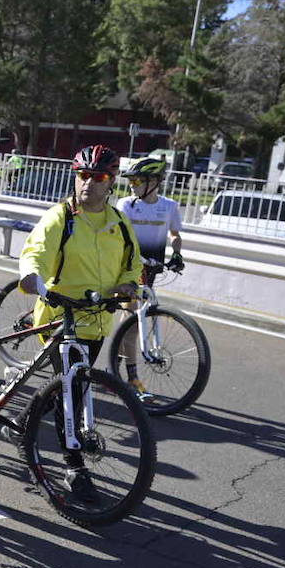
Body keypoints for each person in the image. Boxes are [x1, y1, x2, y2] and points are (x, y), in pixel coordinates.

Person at [18, 144, 143, 502]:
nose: (88, 183)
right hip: (61, 317)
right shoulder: (62, 217)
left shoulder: (119, 222)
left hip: (97, 320)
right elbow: (35, 253)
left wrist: (128, 284)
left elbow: (133, 264)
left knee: (65, 387)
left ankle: (26, 423)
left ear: (112, 181)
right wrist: (33, 279)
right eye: (82, 175)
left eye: (98, 177)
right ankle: (74, 467)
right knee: (73, 393)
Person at [115, 156, 184, 399]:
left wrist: (176, 253)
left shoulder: (169, 207)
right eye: (130, 180)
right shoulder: (126, 205)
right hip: (127, 269)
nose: (132, 184)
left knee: (133, 320)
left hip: (151, 269)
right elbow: (118, 236)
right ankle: (131, 377)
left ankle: (115, 369)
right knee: (132, 321)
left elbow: (174, 234)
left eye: (137, 180)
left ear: (154, 182)